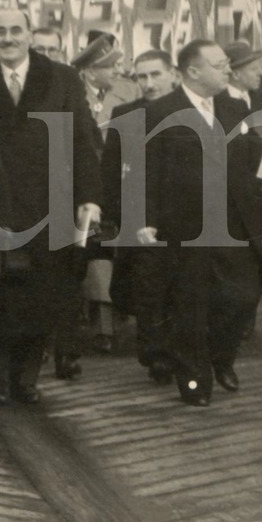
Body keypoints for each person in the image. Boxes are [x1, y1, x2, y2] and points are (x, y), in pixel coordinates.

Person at [0, 9, 101, 406]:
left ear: (30, 33)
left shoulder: (61, 78)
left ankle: (27, 377)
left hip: (50, 204)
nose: (8, 38)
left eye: (16, 30)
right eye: (0, 31)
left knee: (43, 294)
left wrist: (89, 198)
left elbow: (82, 140)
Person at [134, 40, 262, 405]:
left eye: (227, 64)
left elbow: (258, 155)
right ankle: (195, 383)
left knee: (244, 294)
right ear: (193, 71)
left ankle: (221, 357)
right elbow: (145, 171)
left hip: (234, 223)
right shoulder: (160, 112)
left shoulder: (234, 106)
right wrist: (144, 220)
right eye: (220, 64)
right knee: (189, 306)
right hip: (183, 227)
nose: (228, 70)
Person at [103, 49, 180, 382]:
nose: (149, 83)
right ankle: (157, 356)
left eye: (155, 75)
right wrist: (120, 215)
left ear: (173, 74)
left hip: (188, 219)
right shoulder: (125, 114)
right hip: (141, 218)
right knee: (149, 289)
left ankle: (182, 351)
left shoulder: (193, 111)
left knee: (182, 289)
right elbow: (109, 170)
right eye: (142, 77)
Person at [73, 35, 136, 356]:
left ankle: (113, 312)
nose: (117, 70)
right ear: (89, 71)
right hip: (82, 184)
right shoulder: (72, 94)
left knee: (114, 244)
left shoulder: (128, 91)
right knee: (94, 244)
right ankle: (102, 325)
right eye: (110, 66)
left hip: (119, 179)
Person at [224, 41, 262, 109]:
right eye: (254, 69)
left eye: (260, 68)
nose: (261, 73)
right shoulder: (214, 103)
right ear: (236, 74)